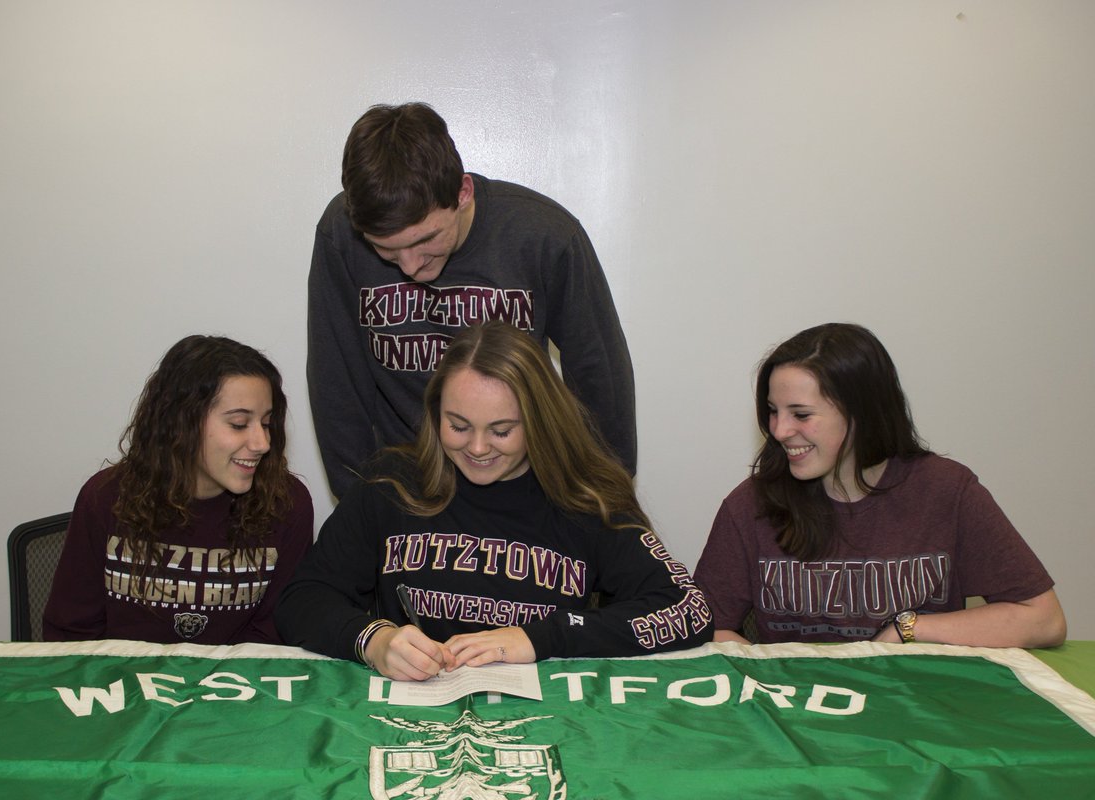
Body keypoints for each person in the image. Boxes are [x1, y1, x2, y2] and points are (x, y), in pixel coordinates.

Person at [277, 320, 711, 680]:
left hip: (552, 719)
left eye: (502, 430)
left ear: (540, 422)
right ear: (435, 413)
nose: (479, 448)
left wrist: (540, 638)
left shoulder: (587, 498)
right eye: (459, 426)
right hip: (411, 712)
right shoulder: (391, 487)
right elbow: (302, 600)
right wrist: (372, 639)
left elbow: (688, 610)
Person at [307, 101, 636, 499]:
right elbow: (337, 380)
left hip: (523, 484)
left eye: (425, 239)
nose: (409, 266)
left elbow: (599, 374)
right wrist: (358, 503)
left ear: (462, 193)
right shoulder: (339, 235)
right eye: (387, 251)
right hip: (404, 486)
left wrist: (601, 500)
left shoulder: (545, 237)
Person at [693, 323, 1066, 648]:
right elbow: (705, 629)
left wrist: (910, 629)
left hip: (915, 706)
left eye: (801, 414)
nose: (779, 430)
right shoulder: (751, 505)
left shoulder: (948, 492)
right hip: (800, 712)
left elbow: (1044, 620)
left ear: (862, 413)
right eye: (773, 411)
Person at [43, 335, 314, 644]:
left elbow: (275, 640)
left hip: (233, 688)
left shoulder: (287, 505)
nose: (262, 443)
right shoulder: (105, 498)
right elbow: (71, 634)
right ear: (181, 423)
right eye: (239, 424)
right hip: (122, 686)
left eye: (266, 423)